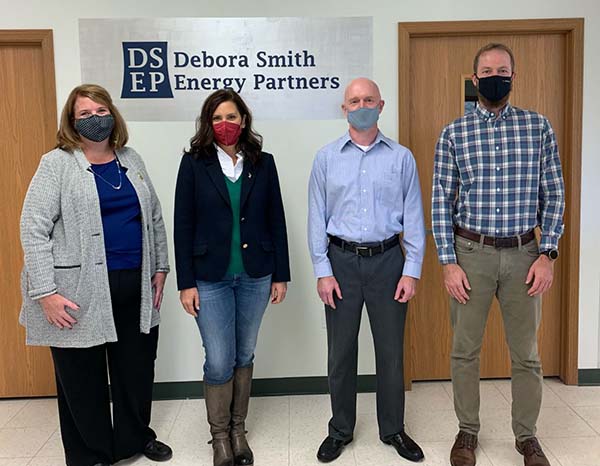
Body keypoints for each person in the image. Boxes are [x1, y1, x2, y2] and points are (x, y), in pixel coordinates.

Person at [19, 84, 172, 466]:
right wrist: (45, 292)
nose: (94, 119)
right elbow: (33, 226)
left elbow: (152, 216)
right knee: (81, 376)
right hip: (77, 290)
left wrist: (160, 268)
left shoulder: (131, 159)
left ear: (113, 115)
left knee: (135, 370)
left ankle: (134, 439)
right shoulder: (56, 163)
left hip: (133, 283)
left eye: (100, 110)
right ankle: (91, 453)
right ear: (72, 122)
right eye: (84, 114)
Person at [432, 43, 565, 466]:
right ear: (474, 80)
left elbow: (554, 193)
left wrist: (548, 253)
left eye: (502, 70)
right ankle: (467, 432)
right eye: (486, 70)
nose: (495, 76)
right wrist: (448, 261)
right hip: (471, 254)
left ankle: (526, 437)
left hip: (526, 255)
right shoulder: (454, 133)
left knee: (526, 354)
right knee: (464, 350)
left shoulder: (538, 127)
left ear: (513, 76)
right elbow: (441, 200)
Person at [307, 78, 426, 463]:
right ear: (344, 109)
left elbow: (413, 217)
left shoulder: (401, 158)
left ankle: (393, 429)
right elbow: (315, 218)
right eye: (354, 100)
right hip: (340, 263)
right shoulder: (326, 158)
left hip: (389, 262)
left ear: (381, 105)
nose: (361, 105)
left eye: (368, 99)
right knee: (340, 352)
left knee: (390, 352)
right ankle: (340, 429)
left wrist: (412, 270)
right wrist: (323, 270)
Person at [174, 89, 290, 466]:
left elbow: (276, 220)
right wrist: (185, 282)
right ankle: (219, 437)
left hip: (257, 275)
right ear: (209, 123)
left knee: (244, 353)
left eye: (232, 117)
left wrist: (281, 275)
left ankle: (239, 430)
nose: (226, 124)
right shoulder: (194, 164)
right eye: (218, 118)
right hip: (210, 277)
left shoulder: (263, 162)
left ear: (244, 121)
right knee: (220, 358)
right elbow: (183, 225)